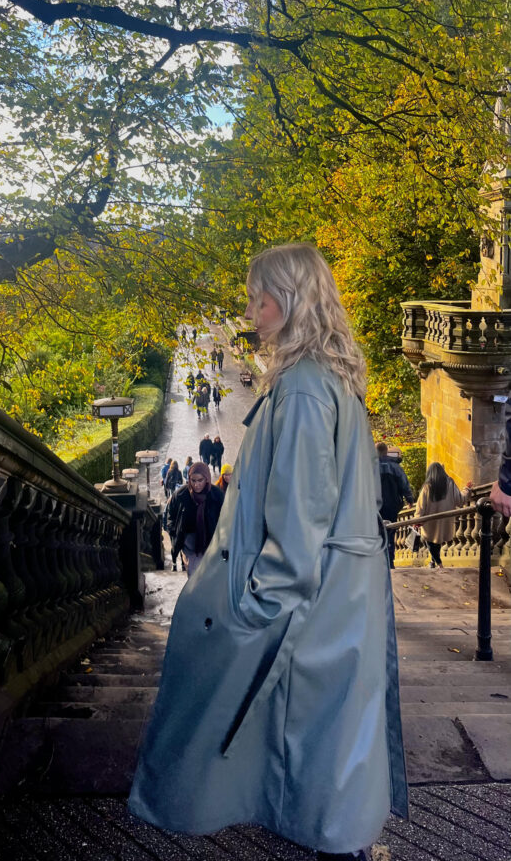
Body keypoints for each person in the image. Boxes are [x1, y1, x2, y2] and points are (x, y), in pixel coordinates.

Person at [129, 243, 408, 860]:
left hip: (313, 605)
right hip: (337, 597)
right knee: (327, 747)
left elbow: (300, 522)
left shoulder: (305, 388)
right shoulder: (323, 377)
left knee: (306, 741)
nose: (252, 310)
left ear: (291, 298)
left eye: (261, 297)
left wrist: (248, 613)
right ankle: (333, 838)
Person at [163, 462, 224, 576]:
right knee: (193, 574)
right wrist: (174, 532)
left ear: (207, 479)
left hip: (211, 540)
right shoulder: (181, 495)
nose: (196, 485)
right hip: (189, 541)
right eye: (193, 480)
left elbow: (226, 518)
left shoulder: (217, 495)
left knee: (209, 574)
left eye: (200, 480)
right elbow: (170, 514)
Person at [412, 462, 469, 569]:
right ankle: (433, 562)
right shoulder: (450, 483)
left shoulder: (427, 487)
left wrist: (417, 519)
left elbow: (420, 506)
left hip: (430, 521)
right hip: (445, 520)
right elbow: (460, 500)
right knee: (436, 542)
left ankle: (439, 563)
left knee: (429, 541)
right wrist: (467, 490)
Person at [376, 442, 414, 568]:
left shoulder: (369, 467)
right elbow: (404, 485)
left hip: (375, 506)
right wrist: (409, 499)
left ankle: (377, 561)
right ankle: (390, 561)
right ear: (386, 452)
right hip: (392, 505)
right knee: (391, 532)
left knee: (376, 532)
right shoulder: (396, 467)